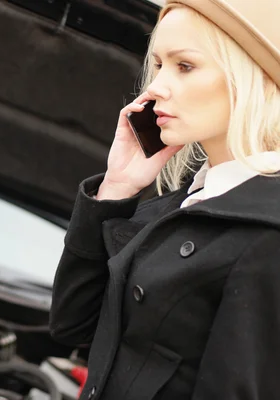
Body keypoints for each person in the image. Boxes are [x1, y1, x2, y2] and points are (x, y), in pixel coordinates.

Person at [49, 1, 280, 399]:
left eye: (185, 66)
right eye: (158, 65)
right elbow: (74, 326)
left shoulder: (267, 236)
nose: (155, 88)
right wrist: (117, 188)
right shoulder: (190, 201)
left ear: (252, 80)